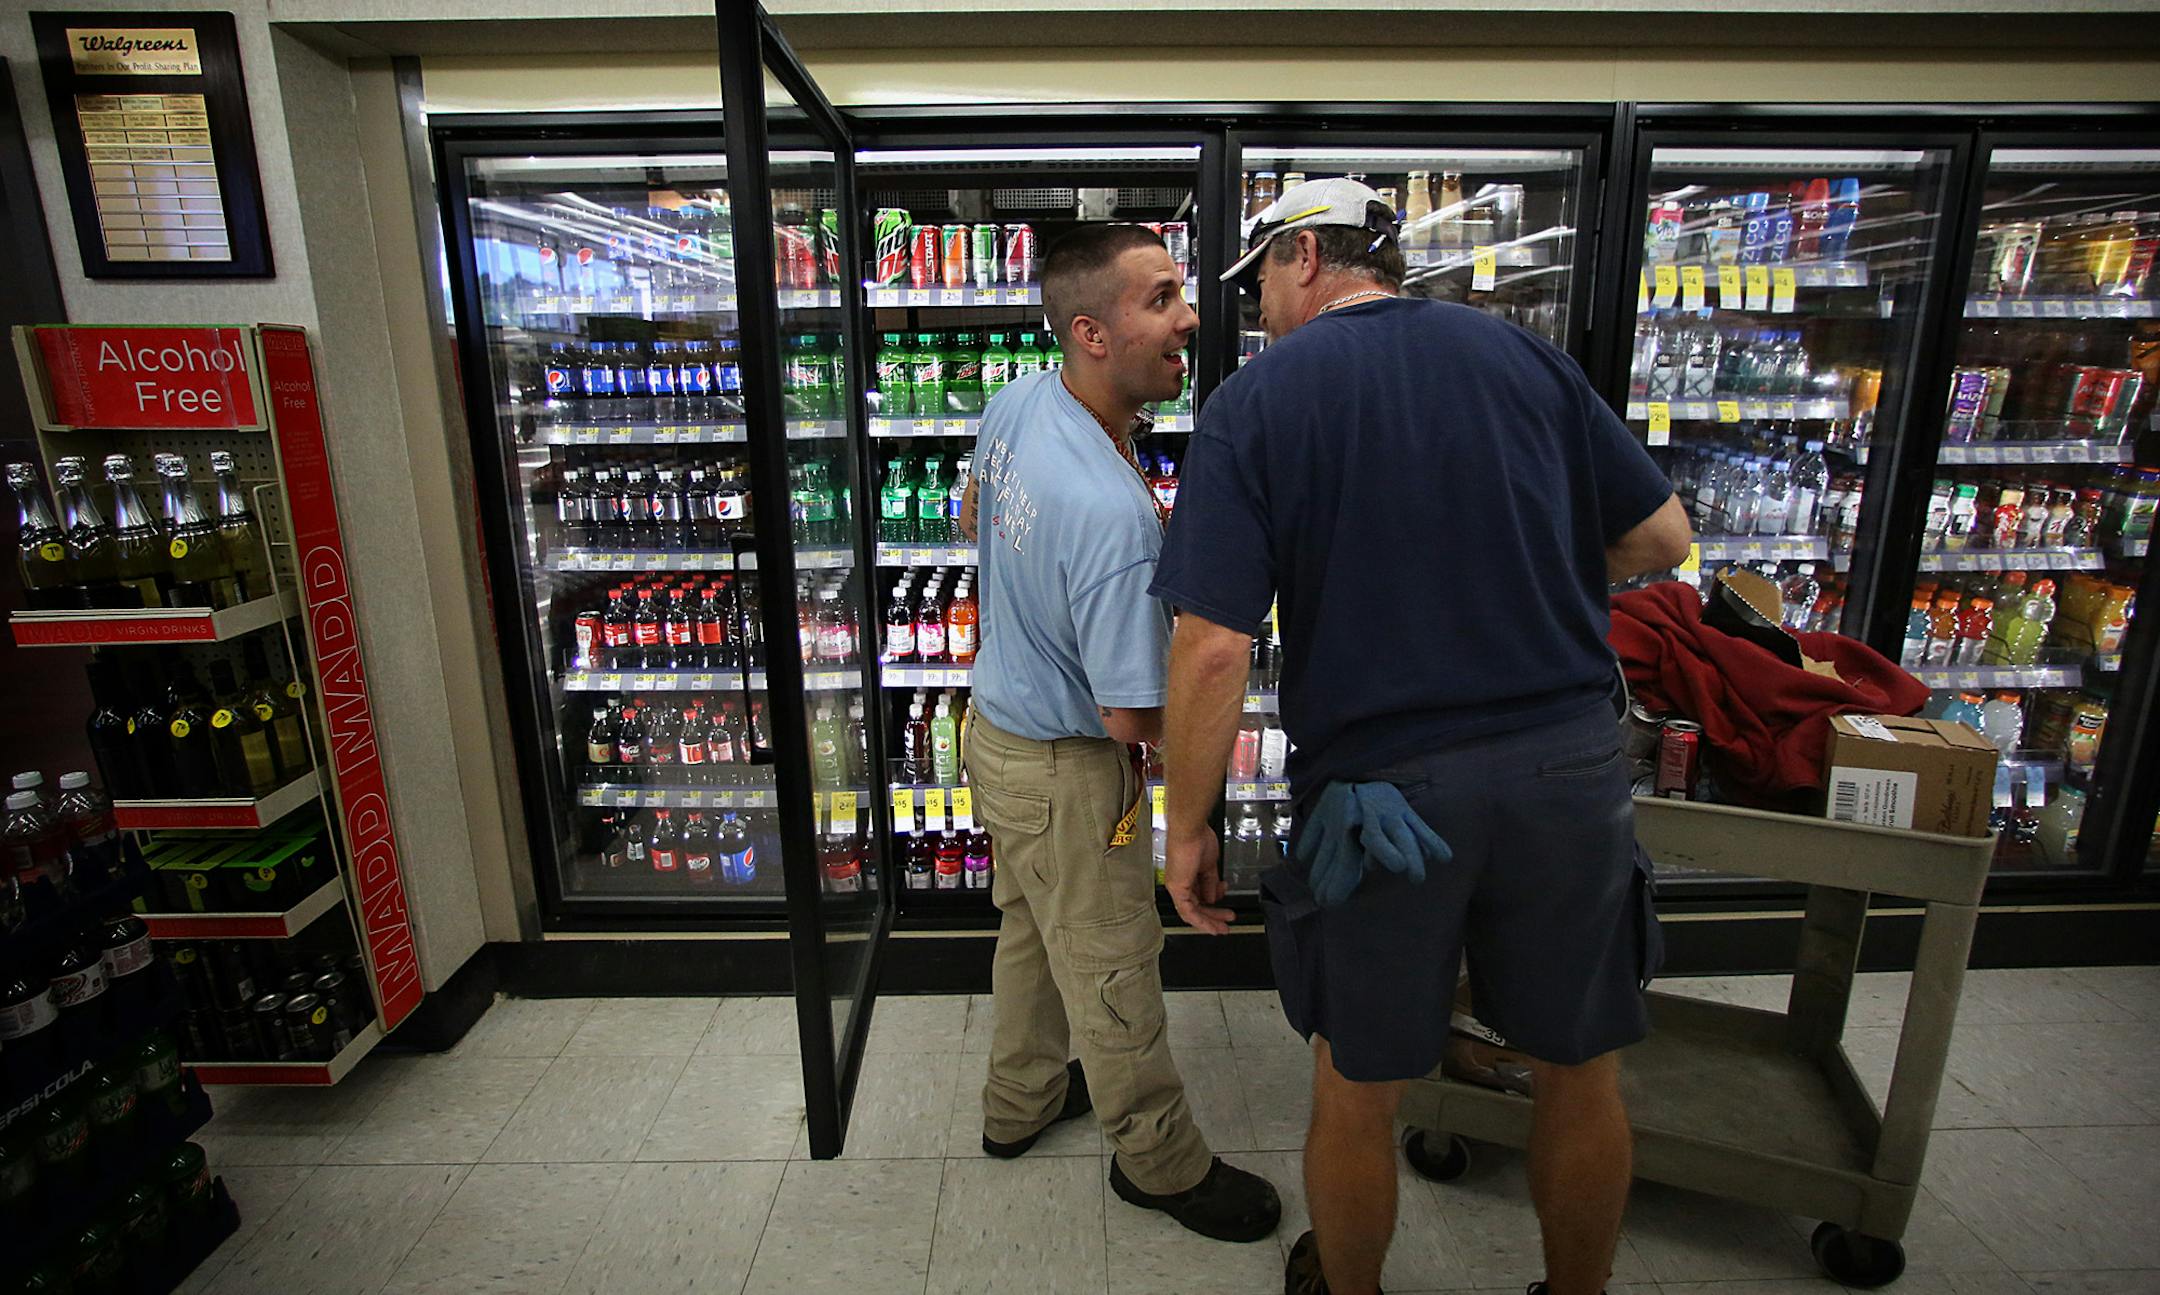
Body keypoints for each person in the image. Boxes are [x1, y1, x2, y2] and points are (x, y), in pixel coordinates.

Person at [1150, 178, 1691, 1295]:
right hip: (1568, 768)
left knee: (1359, 1081)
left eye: (1258, 282)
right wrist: (1527, 577)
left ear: (1304, 256)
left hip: (1383, 799)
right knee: (1580, 1071)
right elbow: (1660, 536)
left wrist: (1186, 823)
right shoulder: (1524, 361)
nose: (1256, 308)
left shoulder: (1258, 402)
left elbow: (1212, 647)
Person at [956, 221, 1282, 1244]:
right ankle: (1160, 1157)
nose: (1191, 316)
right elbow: (1130, 714)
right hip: (1063, 768)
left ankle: (1018, 1102)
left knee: (1029, 928)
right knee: (1111, 961)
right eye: (1162, 299)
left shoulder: (1021, 399)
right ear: (1091, 331)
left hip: (992, 732)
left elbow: (980, 508)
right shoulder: (1112, 517)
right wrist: (1206, 704)